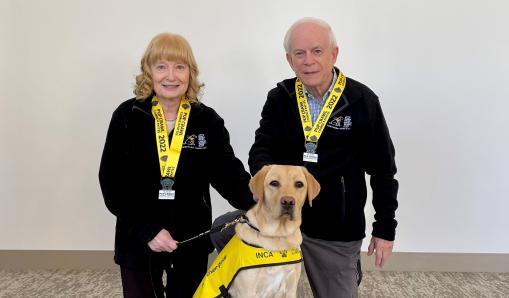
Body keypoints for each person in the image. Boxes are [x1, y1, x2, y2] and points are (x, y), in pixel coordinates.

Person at [212, 17, 399, 298]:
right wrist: (271, 184)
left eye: (317, 51)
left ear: (334, 54)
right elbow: (261, 148)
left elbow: (383, 170)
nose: (308, 60)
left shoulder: (362, 101)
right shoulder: (280, 97)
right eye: (299, 53)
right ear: (289, 60)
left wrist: (385, 228)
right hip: (279, 222)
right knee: (221, 229)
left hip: (333, 230)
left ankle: (344, 267)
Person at [99, 33, 254, 298]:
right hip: (137, 238)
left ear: (190, 73)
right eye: (161, 66)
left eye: (179, 67)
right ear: (148, 71)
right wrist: (147, 230)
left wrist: (266, 199)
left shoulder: (207, 120)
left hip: (189, 240)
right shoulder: (127, 116)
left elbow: (229, 175)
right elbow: (112, 184)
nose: (171, 76)